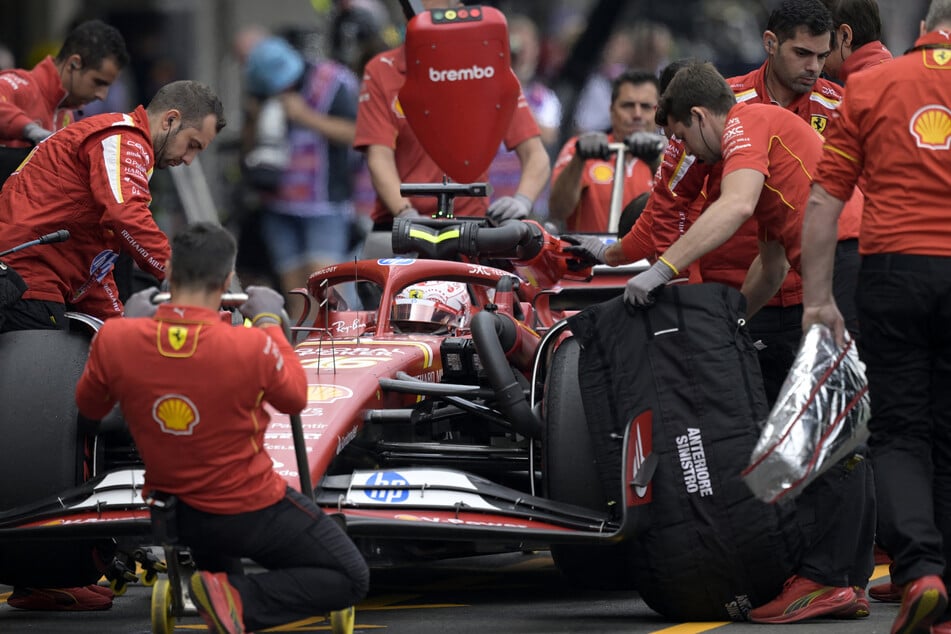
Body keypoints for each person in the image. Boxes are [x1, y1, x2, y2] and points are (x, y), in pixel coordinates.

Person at [625, 61, 870, 623]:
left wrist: (660, 270)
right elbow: (772, 261)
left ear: (698, 115)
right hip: (853, 263)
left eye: (684, 138)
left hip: (853, 263)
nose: (689, 152)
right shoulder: (771, 140)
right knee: (842, 424)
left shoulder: (748, 121)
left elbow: (731, 205)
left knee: (823, 425)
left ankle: (824, 578)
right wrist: (733, 323)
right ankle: (847, 580)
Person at [74, 222, 370, 633]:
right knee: (351, 577)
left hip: (177, 515)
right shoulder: (251, 345)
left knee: (223, 595)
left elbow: (90, 406)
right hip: (250, 510)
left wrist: (121, 324)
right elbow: (295, 398)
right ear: (226, 279)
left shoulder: (117, 340)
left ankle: (227, 599)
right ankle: (238, 600)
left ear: (169, 274)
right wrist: (268, 321)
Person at [800, 1, 951, 631]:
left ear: (921, 31)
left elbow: (824, 199)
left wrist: (817, 300)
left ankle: (920, 572)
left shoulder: (868, 85)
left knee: (901, 432)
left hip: (893, 271)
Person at [0, 80, 225, 333]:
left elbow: (97, 260)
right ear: (169, 120)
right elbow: (125, 214)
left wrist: (118, 331)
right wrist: (179, 275)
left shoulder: (121, 145)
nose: (188, 159)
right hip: (25, 282)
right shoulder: (124, 138)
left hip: (37, 282)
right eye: (192, 144)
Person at [353, 0, 550, 230]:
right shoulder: (383, 70)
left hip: (470, 225)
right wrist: (405, 212)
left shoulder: (489, 67)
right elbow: (379, 157)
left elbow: (536, 155)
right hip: (399, 223)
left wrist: (522, 200)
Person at [242, 35, 360, 321]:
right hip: (279, 206)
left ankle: (341, 357)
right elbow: (247, 150)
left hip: (324, 206)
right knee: (297, 297)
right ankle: (301, 357)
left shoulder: (334, 81)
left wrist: (306, 116)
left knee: (330, 293)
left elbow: (357, 133)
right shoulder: (261, 90)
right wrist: (256, 118)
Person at [0, 19, 129, 185]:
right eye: (98, 82)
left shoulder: (67, 116)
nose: (102, 96)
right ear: (73, 64)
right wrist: (30, 130)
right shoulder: (18, 86)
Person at [548, 69, 665, 233]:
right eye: (628, 106)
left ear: (658, 112)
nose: (637, 114)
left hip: (648, 257)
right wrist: (579, 159)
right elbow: (557, 211)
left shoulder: (670, 156)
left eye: (646, 107)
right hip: (589, 256)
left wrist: (656, 162)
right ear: (611, 110)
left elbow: (679, 215)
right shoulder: (582, 149)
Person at [821, 0, 892, 83]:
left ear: (845, 35)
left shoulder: (862, 85)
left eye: (821, 35)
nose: (814, 65)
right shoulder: (893, 71)